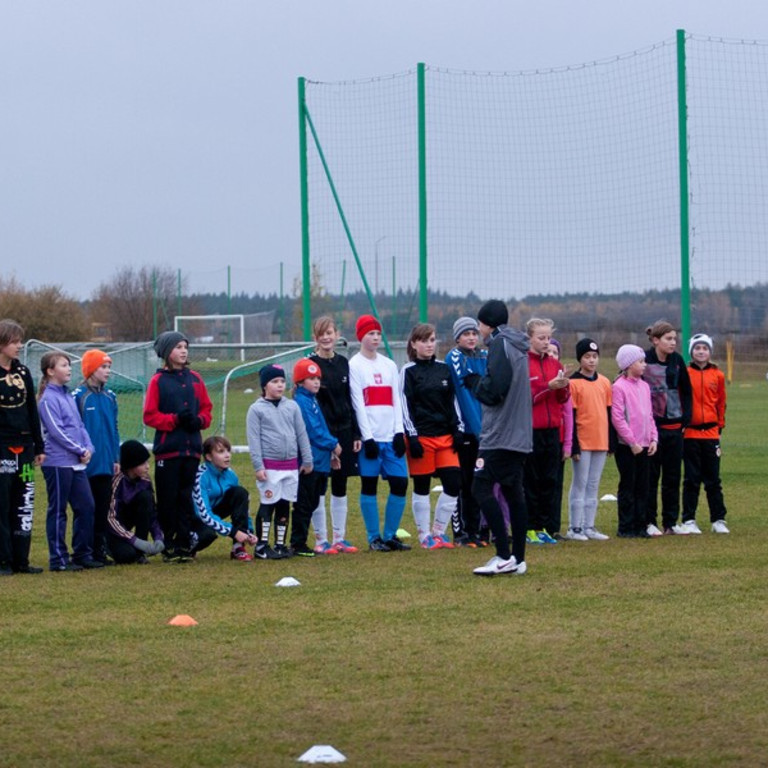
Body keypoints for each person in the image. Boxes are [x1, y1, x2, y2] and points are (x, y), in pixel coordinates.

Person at [463, 300, 532, 576]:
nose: (478, 329)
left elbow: (496, 389)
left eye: (479, 323)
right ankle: (518, 558)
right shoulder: (516, 345)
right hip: (517, 434)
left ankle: (503, 554)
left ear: (487, 323)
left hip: (501, 435)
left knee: (480, 488)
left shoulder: (500, 345)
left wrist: (475, 384)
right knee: (513, 492)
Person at [143, 331, 213, 562]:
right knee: (167, 498)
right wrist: (174, 420)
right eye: (178, 347)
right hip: (168, 450)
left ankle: (184, 543)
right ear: (166, 352)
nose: (183, 351)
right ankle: (168, 544)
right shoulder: (158, 381)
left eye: (185, 346)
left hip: (191, 449)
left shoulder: (195, 379)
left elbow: (206, 409)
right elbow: (150, 416)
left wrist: (199, 421)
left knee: (185, 497)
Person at [348, 314, 411, 552]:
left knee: (400, 483)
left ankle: (390, 535)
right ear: (361, 337)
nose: (375, 337)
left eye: (377, 333)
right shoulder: (355, 365)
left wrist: (398, 433)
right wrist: (368, 438)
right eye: (370, 334)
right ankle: (374, 538)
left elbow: (397, 400)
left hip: (390, 438)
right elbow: (358, 404)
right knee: (369, 485)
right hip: (371, 441)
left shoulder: (389, 365)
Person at [400, 323, 463, 549]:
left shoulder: (444, 368)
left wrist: (458, 429)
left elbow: (452, 402)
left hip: (446, 437)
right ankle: (424, 535)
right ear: (414, 344)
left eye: (432, 339)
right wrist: (413, 437)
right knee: (422, 486)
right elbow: (405, 405)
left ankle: (438, 532)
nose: (429, 344)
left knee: (454, 483)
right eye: (424, 340)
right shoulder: (408, 371)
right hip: (422, 438)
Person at [38, 351, 103, 571]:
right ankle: (58, 559)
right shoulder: (48, 399)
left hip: (77, 462)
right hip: (57, 463)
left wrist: (89, 449)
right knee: (57, 511)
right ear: (50, 371)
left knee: (86, 506)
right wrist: (78, 449)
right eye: (64, 365)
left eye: (69, 365)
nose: (69, 369)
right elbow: (56, 431)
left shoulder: (68, 396)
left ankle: (82, 554)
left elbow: (80, 426)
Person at [246, 364, 312, 559]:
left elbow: (301, 433)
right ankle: (262, 546)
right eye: (275, 381)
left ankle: (280, 544)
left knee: (284, 504)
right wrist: (258, 466)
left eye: (282, 381)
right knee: (268, 503)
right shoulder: (256, 410)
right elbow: (254, 440)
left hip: (290, 466)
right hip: (270, 466)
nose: (280, 385)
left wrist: (307, 459)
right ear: (265, 385)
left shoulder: (292, 406)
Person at [308, 316, 361, 554]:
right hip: (320, 436)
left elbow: (351, 399)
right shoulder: (310, 364)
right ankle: (321, 540)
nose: (327, 337)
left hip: (345, 432)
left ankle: (339, 538)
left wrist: (356, 432)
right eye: (322, 333)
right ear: (315, 338)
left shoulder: (343, 363)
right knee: (320, 485)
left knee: (341, 484)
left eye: (330, 332)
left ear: (337, 334)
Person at [0, 319, 45, 576]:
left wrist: (38, 446)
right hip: (2, 449)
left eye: (20, 341)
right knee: (3, 503)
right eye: (15, 341)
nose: (19, 346)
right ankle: (4, 560)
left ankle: (21, 560)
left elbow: (32, 411)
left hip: (25, 450)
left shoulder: (24, 372)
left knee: (24, 502)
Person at [523, 318, 570, 544]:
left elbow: (562, 400)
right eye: (541, 337)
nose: (545, 342)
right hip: (531, 431)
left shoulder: (555, 365)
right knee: (531, 481)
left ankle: (543, 527)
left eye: (548, 337)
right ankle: (529, 527)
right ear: (530, 338)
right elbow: (526, 398)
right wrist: (546, 387)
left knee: (549, 480)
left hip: (553, 431)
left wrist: (562, 387)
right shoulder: (523, 363)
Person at [643, 320, 692, 536]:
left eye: (675, 339)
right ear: (656, 340)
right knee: (651, 477)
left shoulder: (678, 361)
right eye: (668, 339)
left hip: (675, 429)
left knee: (672, 477)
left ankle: (670, 522)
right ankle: (649, 521)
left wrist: (685, 420)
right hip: (652, 430)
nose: (673, 343)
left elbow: (687, 392)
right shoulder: (643, 360)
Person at [290, 358, 342, 557]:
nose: (316, 382)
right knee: (304, 503)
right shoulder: (301, 402)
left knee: (312, 502)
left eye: (318, 378)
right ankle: (297, 543)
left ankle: (300, 542)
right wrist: (333, 444)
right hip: (309, 461)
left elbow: (321, 427)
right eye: (311, 378)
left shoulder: (312, 400)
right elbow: (313, 431)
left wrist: (329, 453)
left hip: (321, 460)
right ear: (300, 382)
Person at [73, 349, 120, 565]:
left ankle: (99, 550)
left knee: (102, 508)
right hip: (85, 464)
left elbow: (114, 429)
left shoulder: (111, 397)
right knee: (85, 508)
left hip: (106, 463)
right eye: (103, 366)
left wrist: (116, 458)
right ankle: (83, 551)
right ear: (91, 369)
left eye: (109, 366)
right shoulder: (79, 397)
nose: (108, 371)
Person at [445, 316, 489, 547]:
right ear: (457, 337)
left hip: (484, 431)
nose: (471, 337)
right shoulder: (454, 357)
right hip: (465, 431)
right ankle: (461, 532)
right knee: (462, 482)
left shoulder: (485, 356)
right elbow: (465, 392)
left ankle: (477, 530)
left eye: (474, 333)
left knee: (478, 482)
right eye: (466, 334)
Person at [682, 334, 729, 534]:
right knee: (691, 479)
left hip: (710, 434)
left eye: (705, 348)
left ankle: (718, 519)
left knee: (713, 479)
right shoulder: (684, 373)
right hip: (690, 434)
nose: (701, 352)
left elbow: (721, 402)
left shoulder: (717, 375)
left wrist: (719, 425)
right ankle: (689, 519)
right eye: (697, 348)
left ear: (710, 352)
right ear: (691, 351)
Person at [566, 338, 612, 541]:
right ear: (580, 359)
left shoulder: (604, 382)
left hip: (600, 440)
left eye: (594, 356)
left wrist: (611, 440)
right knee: (580, 482)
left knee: (594, 483)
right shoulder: (573, 383)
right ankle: (574, 527)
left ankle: (589, 526)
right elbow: (572, 416)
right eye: (587, 357)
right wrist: (574, 444)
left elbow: (608, 412)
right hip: (583, 442)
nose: (592, 361)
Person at [611, 344, 658, 538]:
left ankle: (641, 524)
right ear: (629, 364)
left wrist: (654, 438)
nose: (644, 365)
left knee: (643, 486)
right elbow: (618, 418)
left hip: (646, 445)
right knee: (628, 485)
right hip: (627, 447)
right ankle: (626, 526)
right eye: (641, 361)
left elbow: (649, 416)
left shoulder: (645, 386)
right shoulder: (618, 387)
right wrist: (631, 442)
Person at [192, 435, 256, 560]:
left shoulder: (230, 475)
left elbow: (242, 505)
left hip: (213, 513)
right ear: (209, 457)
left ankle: (238, 547)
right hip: (195, 517)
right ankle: (187, 547)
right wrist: (233, 532)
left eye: (228, 451)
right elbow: (204, 514)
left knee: (240, 493)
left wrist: (248, 532)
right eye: (221, 452)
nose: (227, 455)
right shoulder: (200, 477)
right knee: (207, 535)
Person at [107, 439, 166, 564]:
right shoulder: (116, 481)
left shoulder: (145, 481)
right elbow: (111, 518)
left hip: (126, 529)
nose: (147, 466)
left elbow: (151, 512)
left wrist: (158, 537)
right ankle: (105, 548)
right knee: (127, 556)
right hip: (111, 531)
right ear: (131, 466)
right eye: (143, 463)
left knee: (145, 497)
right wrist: (134, 540)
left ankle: (140, 553)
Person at [548, 339, 573, 541]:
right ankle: (536, 526)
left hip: (558, 440)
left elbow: (569, 416)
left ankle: (553, 527)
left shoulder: (564, 384)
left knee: (556, 485)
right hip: (540, 438)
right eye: (548, 352)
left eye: (555, 352)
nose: (551, 355)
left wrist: (568, 445)